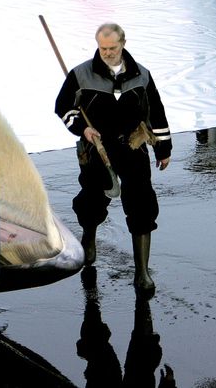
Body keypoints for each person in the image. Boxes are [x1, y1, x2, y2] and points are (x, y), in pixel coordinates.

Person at [55, 23, 172, 295]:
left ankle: (142, 271)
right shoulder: (81, 74)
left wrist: (163, 149)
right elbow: (63, 108)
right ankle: (89, 239)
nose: (107, 52)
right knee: (92, 198)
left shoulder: (142, 75)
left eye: (112, 47)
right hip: (97, 147)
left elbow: (156, 112)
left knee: (142, 202)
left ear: (123, 44)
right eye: (102, 48)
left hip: (133, 146)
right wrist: (82, 128)